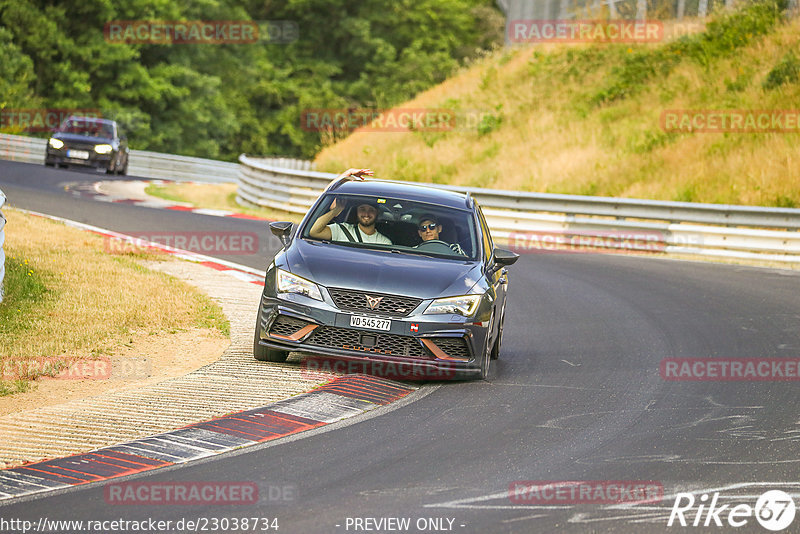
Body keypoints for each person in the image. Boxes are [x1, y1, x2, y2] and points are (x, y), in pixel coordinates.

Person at [308, 168, 392, 244]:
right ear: (357, 211)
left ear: (377, 212)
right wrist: (336, 210)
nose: (366, 214)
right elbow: (314, 232)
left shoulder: (384, 242)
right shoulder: (341, 230)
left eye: (371, 210)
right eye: (362, 209)